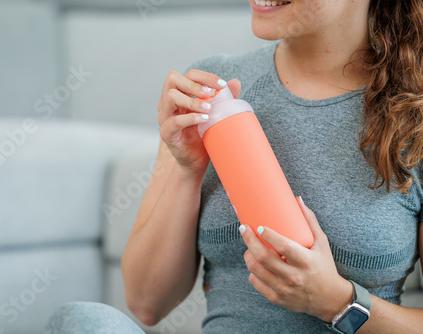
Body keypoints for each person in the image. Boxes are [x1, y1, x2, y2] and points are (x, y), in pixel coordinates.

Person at [45, 1, 423, 333]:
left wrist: (336, 302)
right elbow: (147, 303)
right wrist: (186, 168)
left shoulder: (414, 115)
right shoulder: (211, 90)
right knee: (84, 322)